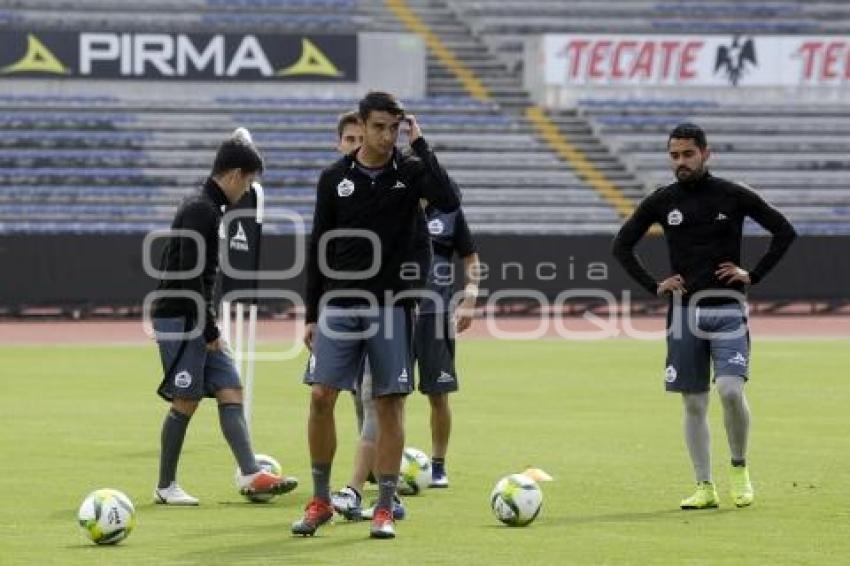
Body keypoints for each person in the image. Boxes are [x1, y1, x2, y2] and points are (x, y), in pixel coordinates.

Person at [292, 91, 460, 539]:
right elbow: (318, 243)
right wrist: (310, 311)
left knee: (389, 404)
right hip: (339, 304)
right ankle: (320, 499)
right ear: (361, 127)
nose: (387, 136)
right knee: (320, 396)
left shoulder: (410, 171)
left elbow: (448, 199)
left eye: (394, 127)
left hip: (391, 306)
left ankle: (384, 505)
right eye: (379, 127)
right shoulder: (334, 178)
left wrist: (421, 146)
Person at [612, 123, 796, 510]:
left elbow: (784, 231)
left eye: (688, 154)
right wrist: (654, 284)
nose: (680, 162)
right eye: (674, 155)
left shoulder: (732, 195)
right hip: (683, 313)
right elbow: (622, 245)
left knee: (730, 392)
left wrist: (753, 275)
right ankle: (704, 486)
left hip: (727, 310)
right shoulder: (662, 201)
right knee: (693, 404)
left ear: (705, 153)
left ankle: (739, 469)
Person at [150, 131, 298, 505]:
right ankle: (166, 486)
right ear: (234, 175)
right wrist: (209, 328)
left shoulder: (208, 209)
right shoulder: (201, 209)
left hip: (194, 317)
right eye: (248, 181)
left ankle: (250, 472)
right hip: (181, 317)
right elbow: (188, 275)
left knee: (230, 388)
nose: (247, 189)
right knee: (186, 399)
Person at [412, 203, 480, 489]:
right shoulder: (393, 200)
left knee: (439, 395)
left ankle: (438, 465)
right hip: (393, 313)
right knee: (386, 395)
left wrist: (470, 297)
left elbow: (470, 257)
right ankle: (377, 464)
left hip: (436, 315)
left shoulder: (449, 212)